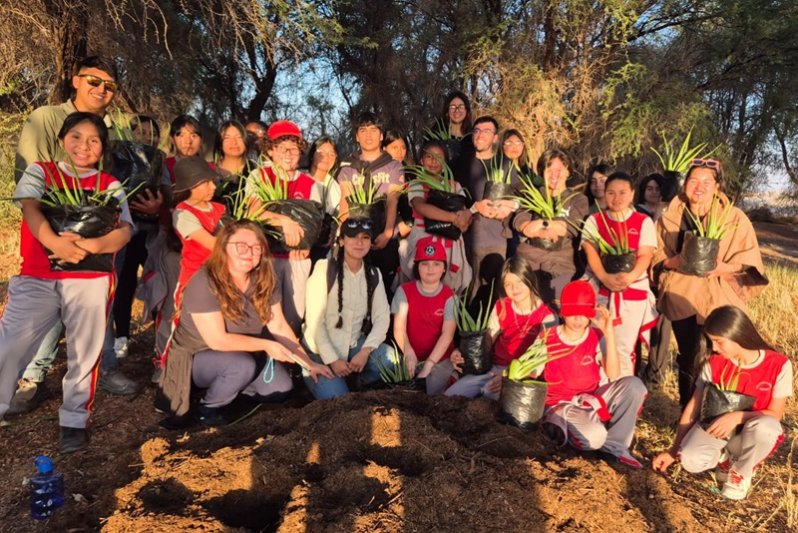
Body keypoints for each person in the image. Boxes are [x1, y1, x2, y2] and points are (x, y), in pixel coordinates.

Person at [0, 112, 133, 452]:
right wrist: (55, 243)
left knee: (85, 351)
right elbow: (31, 209)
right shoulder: (41, 172)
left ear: (103, 147)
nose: (83, 146)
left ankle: (74, 420)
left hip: (90, 277)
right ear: (62, 139)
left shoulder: (109, 185)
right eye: (76, 137)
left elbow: (124, 230)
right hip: (38, 275)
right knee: (11, 345)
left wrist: (92, 246)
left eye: (93, 140)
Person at [156, 221, 332, 426]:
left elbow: (279, 326)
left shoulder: (264, 279)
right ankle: (207, 408)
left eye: (256, 248)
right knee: (240, 366)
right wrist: (267, 345)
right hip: (197, 357)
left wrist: (309, 363)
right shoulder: (205, 281)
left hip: (243, 353)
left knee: (281, 388)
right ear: (224, 247)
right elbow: (217, 341)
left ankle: (229, 391)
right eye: (241, 246)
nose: (249, 252)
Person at [652, 159, 767, 407]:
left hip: (721, 300)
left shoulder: (735, 218)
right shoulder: (669, 217)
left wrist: (722, 268)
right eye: (693, 180)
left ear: (717, 186)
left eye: (707, 181)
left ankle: (718, 414)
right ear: (685, 184)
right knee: (688, 357)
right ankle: (687, 414)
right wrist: (674, 262)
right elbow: (655, 255)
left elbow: (749, 263)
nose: (699, 187)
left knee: (721, 358)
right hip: (683, 297)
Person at [652, 306, 792, 500]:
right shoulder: (714, 362)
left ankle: (741, 472)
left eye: (719, 341)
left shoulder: (779, 364)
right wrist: (673, 450)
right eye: (711, 342)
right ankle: (725, 460)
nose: (714, 348)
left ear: (737, 334)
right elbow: (693, 407)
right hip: (718, 430)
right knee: (690, 460)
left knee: (767, 427)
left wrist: (737, 417)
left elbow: (775, 414)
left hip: (752, 431)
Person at [538, 281, 647, 468]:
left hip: (591, 396)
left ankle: (615, 447)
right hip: (560, 403)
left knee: (635, 386)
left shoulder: (595, 336)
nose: (578, 320)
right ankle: (562, 430)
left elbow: (613, 372)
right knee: (595, 437)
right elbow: (532, 373)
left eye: (583, 314)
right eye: (573, 313)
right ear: (563, 312)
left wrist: (609, 333)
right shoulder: (548, 337)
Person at [302, 218, 399, 399]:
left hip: (353, 345)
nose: (359, 242)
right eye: (352, 237)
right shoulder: (324, 269)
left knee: (390, 360)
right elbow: (315, 324)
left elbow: (382, 317)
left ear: (371, 243)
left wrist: (365, 351)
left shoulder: (372, 274)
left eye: (365, 238)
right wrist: (333, 360)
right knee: (339, 400)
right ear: (341, 240)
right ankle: (330, 384)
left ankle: (357, 382)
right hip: (320, 353)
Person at [580, 172, 658, 377]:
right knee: (597, 342)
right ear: (604, 194)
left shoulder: (643, 222)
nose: (617, 198)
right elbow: (591, 252)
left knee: (623, 347)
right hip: (600, 289)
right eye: (611, 193)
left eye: (623, 192)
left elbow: (645, 255)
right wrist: (605, 278)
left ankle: (624, 393)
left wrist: (629, 278)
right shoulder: (594, 220)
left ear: (632, 194)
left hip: (631, 292)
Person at [446, 256, 556, 399]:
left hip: (521, 376)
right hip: (494, 368)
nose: (514, 288)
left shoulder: (547, 316)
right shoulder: (501, 306)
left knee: (490, 394)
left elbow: (538, 361)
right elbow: (487, 339)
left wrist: (507, 376)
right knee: (449, 396)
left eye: (519, 281)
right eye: (508, 284)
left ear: (529, 279)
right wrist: (462, 351)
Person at [249, 120, 318, 334]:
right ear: (270, 150)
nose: (288, 153)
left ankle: (290, 362)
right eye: (281, 147)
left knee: (295, 315)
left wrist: (308, 243)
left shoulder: (309, 183)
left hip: (297, 259)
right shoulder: (260, 176)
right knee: (263, 314)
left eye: (294, 148)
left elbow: (315, 220)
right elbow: (252, 211)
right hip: (265, 259)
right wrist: (284, 221)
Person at [451, 116, 518, 300]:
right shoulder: (458, 164)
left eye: (487, 131)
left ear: (496, 138)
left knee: (493, 292)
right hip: (464, 241)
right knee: (465, 291)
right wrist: (474, 208)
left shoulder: (505, 164)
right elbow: (449, 198)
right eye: (477, 130)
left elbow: (521, 199)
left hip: (496, 241)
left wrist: (509, 206)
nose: (480, 135)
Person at [336, 113, 406, 292]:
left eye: (374, 130)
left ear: (381, 135)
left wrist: (388, 233)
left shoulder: (393, 166)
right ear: (356, 137)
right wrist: (347, 236)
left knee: (383, 291)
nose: (368, 135)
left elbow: (392, 199)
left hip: (383, 239)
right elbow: (345, 201)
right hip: (354, 240)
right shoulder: (347, 168)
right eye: (363, 131)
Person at [512, 148, 589, 304]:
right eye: (549, 169)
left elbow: (571, 228)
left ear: (568, 172)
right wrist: (548, 224)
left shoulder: (578, 199)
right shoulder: (531, 195)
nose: (554, 174)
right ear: (542, 172)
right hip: (529, 262)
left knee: (555, 312)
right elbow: (523, 225)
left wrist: (540, 225)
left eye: (559, 169)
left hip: (561, 264)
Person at [401, 139, 472, 293]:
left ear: (445, 161)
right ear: (421, 160)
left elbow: (464, 214)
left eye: (439, 157)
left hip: (450, 244)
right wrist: (453, 218)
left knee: (449, 287)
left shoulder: (455, 185)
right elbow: (420, 206)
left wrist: (464, 220)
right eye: (429, 157)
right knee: (422, 282)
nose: (434, 162)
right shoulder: (416, 184)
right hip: (423, 239)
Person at [392, 238, 458, 395]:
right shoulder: (404, 291)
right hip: (411, 356)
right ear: (417, 267)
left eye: (436, 264)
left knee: (432, 394)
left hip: (440, 358)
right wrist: (407, 350)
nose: (430, 269)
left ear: (444, 268)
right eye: (424, 264)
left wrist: (429, 364)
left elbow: (447, 334)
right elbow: (399, 328)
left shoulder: (449, 296)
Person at [306, 136, 343, 262]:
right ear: (312, 154)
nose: (326, 157)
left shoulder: (335, 186)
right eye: (321, 152)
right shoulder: (300, 179)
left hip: (325, 248)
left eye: (331, 154)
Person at [213, 120, 257, 193]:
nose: (234, 142)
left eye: (239, 137)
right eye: (227, 138)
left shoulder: (257, 172)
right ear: (220, 144)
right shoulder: (208, 171)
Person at [431, 90, 474, 161]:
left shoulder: (473, 138)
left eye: (461, 107)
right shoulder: (435, 136)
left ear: (467, 111)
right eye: (453, 107)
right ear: (447, 112)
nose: (457, 110)